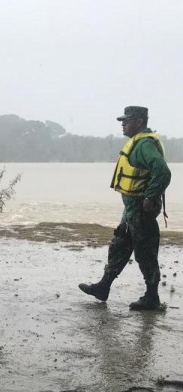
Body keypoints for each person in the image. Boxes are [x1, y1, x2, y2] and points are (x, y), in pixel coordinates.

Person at [79, 106, 171, 310]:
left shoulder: (144, 145)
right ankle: (103, 287)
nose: (123, 124)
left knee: (145, 253)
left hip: (141, 209)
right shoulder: (136, 142)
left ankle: (152, 298)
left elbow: (163, 172)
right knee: (119, 245)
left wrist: (151, 196)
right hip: (130, 209)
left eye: (126, 120)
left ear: (138, 121)